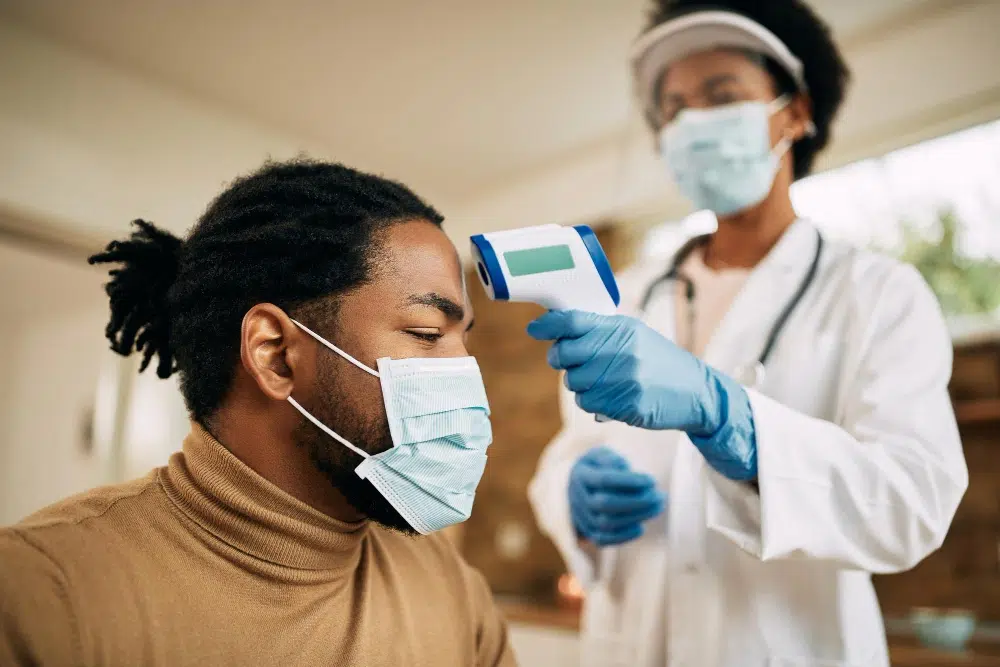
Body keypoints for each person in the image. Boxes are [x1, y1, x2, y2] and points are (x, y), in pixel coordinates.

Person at [527, 1, 968, 666]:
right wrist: (570, 496)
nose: (690, 123)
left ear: (796, 111)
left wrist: (734, 420)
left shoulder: (876, 293)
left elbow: (913, 501)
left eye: (721, 96)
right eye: (673, 109)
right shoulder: (625, 291)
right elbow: (572, 446)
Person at [0, 159, 516, 667]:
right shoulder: (44, 594)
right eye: (427, 333)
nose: (466, 372)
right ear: (275, 354)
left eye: (462, 337)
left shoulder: (450, 588)